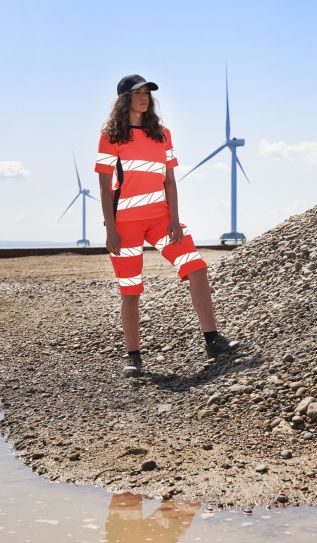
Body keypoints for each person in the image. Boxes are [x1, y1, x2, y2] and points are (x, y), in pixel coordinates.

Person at [95, 74, 240, 378]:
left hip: (162, 218)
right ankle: (133, 356)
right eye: (137, 92)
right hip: (125, 222)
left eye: (147, 92)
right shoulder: (110, 136)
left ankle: (212, 339)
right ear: (124, 99)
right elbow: (106, 187)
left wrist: (175, 219)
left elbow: (170, 181)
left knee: (196, 267)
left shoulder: (162, 134)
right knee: (130, 289)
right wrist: (111, 228)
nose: (144, 96)